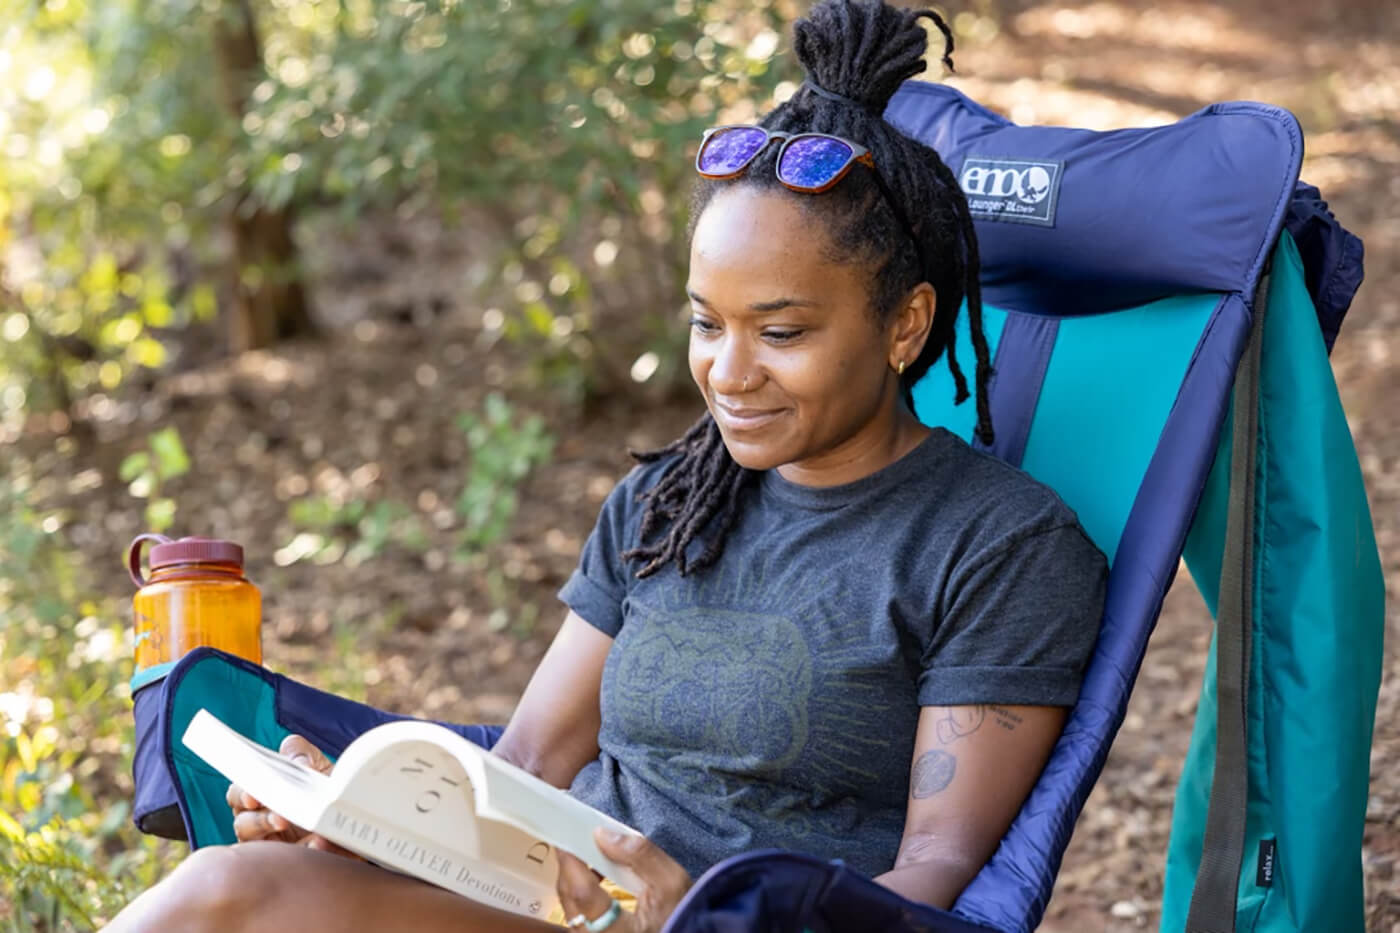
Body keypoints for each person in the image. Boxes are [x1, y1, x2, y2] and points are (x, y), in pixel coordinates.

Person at [104, 2, 1107, 930]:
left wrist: (702, 917)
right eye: (705, 324)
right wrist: (357, 817)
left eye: (783, 331)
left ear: (904, 325)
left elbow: (934, 876)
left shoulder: (1000, 547)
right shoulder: (672, 500)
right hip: (551, 902)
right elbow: (534, 759)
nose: (728, 372)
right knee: (229, 888)